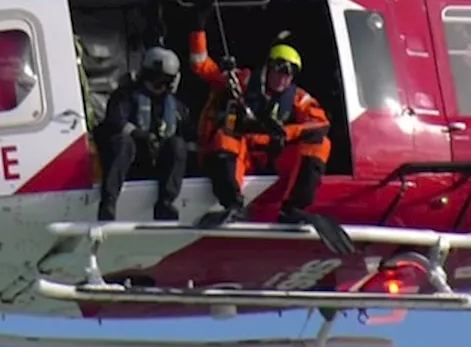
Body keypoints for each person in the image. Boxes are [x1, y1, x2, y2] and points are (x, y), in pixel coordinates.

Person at [188, 22, 332, 228]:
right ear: (269, 66)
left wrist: (286, 133)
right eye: (280, 68)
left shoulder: (298, 98)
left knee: (320, 144)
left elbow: (320, 124)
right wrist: (198, 27)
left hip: (274, 154)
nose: (284, 77)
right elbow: (201, 66)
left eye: (290, 72)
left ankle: (293, 209)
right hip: (243, 151)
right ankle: (233, 204)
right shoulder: (243, 81)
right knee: (224, 138)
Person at [93, 46, 192, 222]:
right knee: (123, 143)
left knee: (177, 145)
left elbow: (188, 133)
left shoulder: (176, 106)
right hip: (131, 161)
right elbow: (115, 122)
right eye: (155, 80)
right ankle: (108, 203)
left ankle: (165, 203)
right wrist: (141, 135)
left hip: (158, 162)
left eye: (162, 81)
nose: (157, 85)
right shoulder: (125, 96)